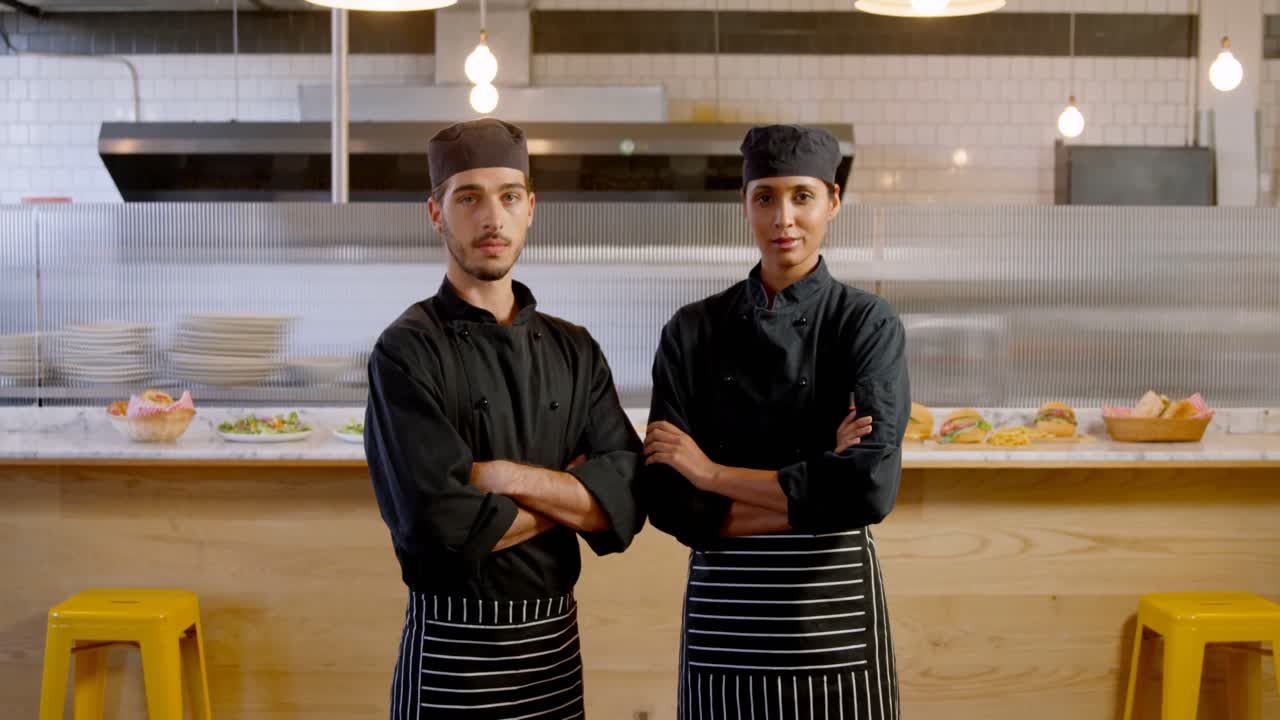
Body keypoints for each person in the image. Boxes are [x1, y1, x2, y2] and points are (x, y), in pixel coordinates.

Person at [365, 118, 644, 719]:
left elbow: (625, 497)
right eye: (469, 197)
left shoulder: (575, 349)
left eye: (508, 196)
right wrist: (569, 492)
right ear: (436, 213)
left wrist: (508, 479)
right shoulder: (406, 351)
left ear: (530, 208)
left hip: (554, 656)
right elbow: (434, 530)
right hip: (451, 661)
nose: (492, 217)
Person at [642, 124, 910, 719]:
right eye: (765, 197)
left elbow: (868, 490)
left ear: (833, 202)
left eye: (802, 196)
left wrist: (711, 476)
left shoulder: (866, 324)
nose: (783, 217)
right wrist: (817, 487)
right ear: (745, 205)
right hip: (726, 622)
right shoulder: (692, 331)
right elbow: (668, 502)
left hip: (829, 619)